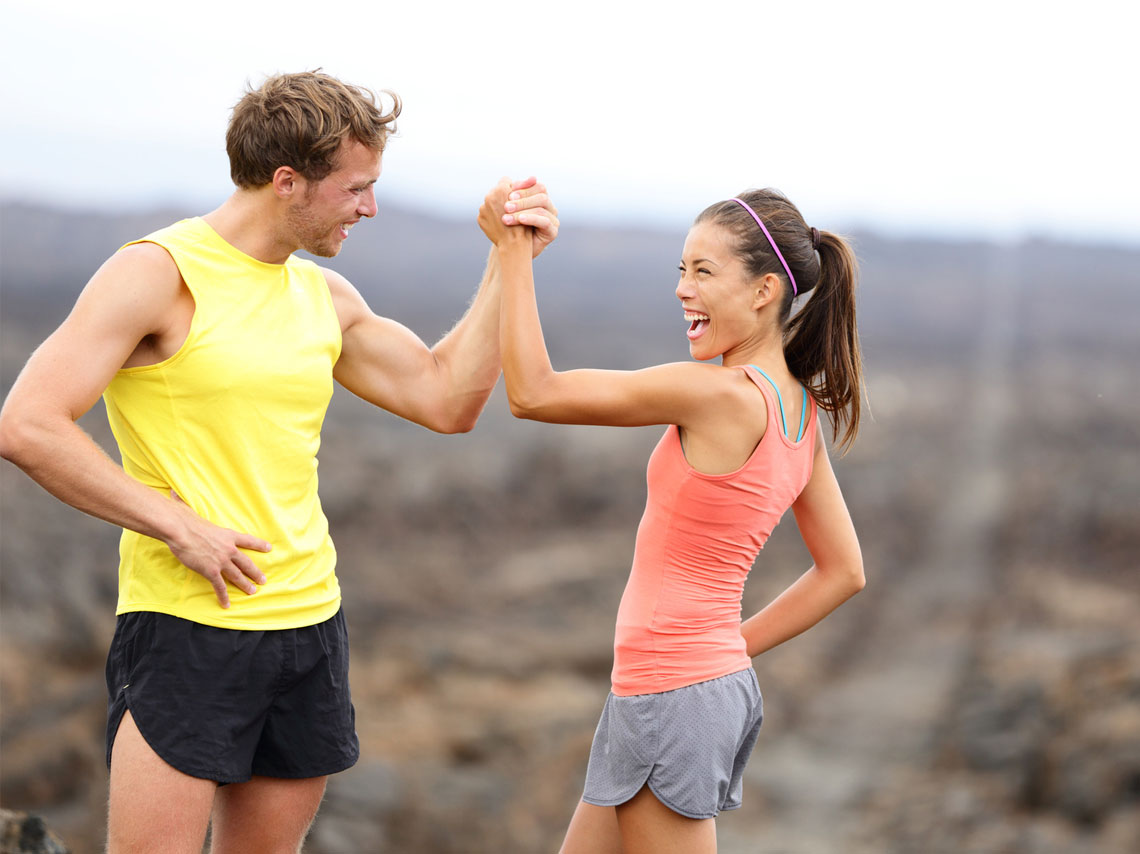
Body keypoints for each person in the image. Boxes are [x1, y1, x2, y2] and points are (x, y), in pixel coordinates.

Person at [0, 72, 558, 854]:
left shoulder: (322, 293)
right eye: (357, 188)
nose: (370, 208)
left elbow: (445, 399)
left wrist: (508, 259)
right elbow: (27, 424)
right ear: (287, 181)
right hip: (186, 625)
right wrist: (177, 525)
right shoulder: (159, 274)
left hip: (309, 627)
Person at [479, 182, 866, 853]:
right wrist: (724, 651)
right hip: (682, 685)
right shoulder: (800, 416)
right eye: (681, 271)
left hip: (672, 693)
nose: (684, 289)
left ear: (764, 291)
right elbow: (845, 572)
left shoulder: (718, 393)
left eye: (705, 272)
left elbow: (533, 393)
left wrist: (512, 253)